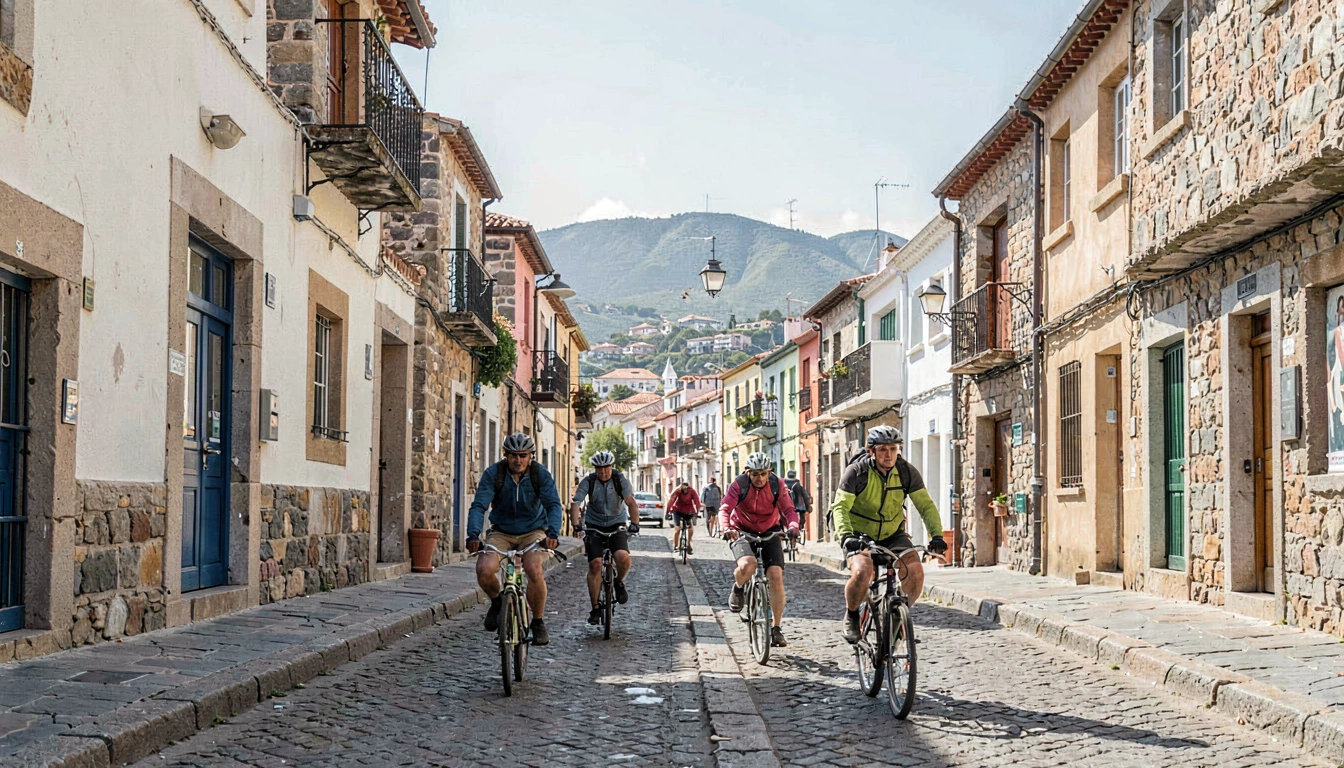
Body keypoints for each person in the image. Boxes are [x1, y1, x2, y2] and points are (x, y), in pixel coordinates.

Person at [831, 426, 948, 644]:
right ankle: (852, 615)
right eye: (883, 449)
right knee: (862, 572)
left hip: (893, 533)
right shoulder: (857, 472)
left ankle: (897, 619)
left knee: (915, 572)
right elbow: (840, 507)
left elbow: (925, 505)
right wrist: (846, 536)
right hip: (859, 534)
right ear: (871, 451)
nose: (889, 455)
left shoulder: (905, 472)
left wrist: (937, 536)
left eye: (893, 449)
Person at [466, 433, 564, 646]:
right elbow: (479, 506)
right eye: (513, 455)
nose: (517, 460)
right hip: (501, 532)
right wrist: (473, 534)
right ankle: (497, 602)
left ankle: (537, 622)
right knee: (484, 569)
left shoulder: (540, 474)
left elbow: (554, 505)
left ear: (531, 456)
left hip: (533, 532)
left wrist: (553, 534)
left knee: (533, 568)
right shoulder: (494, 474)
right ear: (505, 455)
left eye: (523, 455)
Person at [720, 452, 799, 648]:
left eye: (763, 473)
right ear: (748, 472)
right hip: (741, 530)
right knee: (748, 564)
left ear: (769, 472)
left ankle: (776, 628)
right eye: (755, 474)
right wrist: (726, 528)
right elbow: (725, 508)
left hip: (770, 530)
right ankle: (738, 587)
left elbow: (789, 509)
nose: (760, 478)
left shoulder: (777, 484)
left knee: (775, 575)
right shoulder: (739, 484)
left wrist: (793, 526)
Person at [569, 450, 640, 626]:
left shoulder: (619, 479)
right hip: (594, 526)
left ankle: (618, 581)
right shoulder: (589, 481)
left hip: (616, 524)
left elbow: (630, 502)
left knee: (622, 557)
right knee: (595, 564)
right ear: (595, 469)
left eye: (606, 468)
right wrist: (575, 524)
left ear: (611, 466)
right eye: (599, 468)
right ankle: (595, 608)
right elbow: (576, 502)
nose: (603, 472)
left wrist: (635, 523)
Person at [667, 480, 702, 554]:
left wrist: (697, 512)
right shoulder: (677, 491)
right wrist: (668, 511)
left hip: (688, 511)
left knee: (690, 527)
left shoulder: (692, 491)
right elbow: (672, 500)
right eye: (683, 489)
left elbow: (697, 501)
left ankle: (689, 544)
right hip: (677, 510)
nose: (685, 490)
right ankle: (676, 546)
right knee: (677, 528)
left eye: (686, 489)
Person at [783, 470, 812, 544]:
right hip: (798, 506)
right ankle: (800, 530)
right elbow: (805, 496)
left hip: (786, 507)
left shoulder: (783, 484)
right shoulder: (798, 484)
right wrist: (808, 508)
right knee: (802, 520)